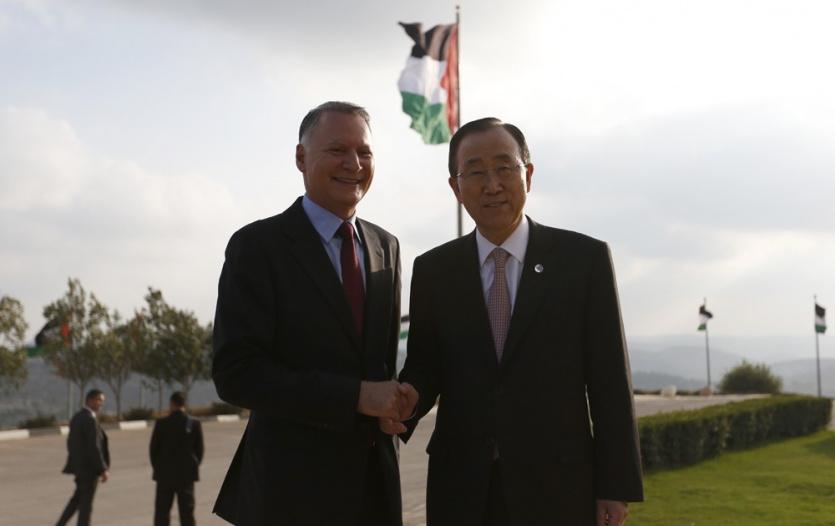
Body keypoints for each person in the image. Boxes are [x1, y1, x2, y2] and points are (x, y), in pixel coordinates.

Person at [393, 117, 644, 526]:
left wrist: (615, 486)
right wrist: (400, 406)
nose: (492, 185)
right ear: (456, 187)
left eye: (504, 167)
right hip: (462, 487)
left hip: (558, 488)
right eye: (475, 172)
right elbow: (427, 366)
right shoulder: (434, 270)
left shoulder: (583, 261)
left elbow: (610, 381)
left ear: (527, 174)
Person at [212, 101, 414, 525]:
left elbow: (379, 366)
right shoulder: (258, 247)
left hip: (375, 492)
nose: (354, 164)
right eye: (338, 150)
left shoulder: (386, 247)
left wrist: (396, 404)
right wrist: (356, 397)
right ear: (301, 158)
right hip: (289, 495)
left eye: (364, 152)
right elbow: (236, 373)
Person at [150, 391, 204, 526]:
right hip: (186, 475)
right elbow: (199, 450)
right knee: (187, 512)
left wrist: (158, 466)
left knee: (162, 512)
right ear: (184, 404)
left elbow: (153, 450)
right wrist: (192, 465)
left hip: (164, 474)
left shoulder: (161, 423)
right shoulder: (194, 423)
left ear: (171, 403)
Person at [56, 389, 110, 526]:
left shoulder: (77, 417)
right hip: (89, 470)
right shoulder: (89, 419)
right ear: (90, 400)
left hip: (80, 469)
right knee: (86, 506)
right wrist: (102, 469)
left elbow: (70, 443)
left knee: (76, 501)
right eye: (99, 400)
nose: (101, 404)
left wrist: (76, 464)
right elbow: (94, 447)